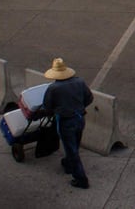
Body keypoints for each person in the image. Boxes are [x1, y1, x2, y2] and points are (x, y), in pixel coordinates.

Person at [42, 58, 94, 190]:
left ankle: (81, 179)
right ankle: (68, 164)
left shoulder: (53, 89)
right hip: (80, 118)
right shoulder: (80, 82)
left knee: (71, 150)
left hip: (66, 122)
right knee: (75, 144)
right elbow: (89, 98)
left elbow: (47, 107)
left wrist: (54, 112)